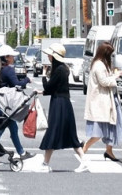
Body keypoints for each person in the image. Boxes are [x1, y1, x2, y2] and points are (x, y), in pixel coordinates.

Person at [29, 43, 87, 172]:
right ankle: (83, 161)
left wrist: (44, 75)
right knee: (69, 134)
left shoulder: (59, 69)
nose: (48, 56)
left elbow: (49, 87)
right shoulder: (62, 68)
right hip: (63, 102)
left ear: (54, 56)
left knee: (53, 131)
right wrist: (42, 92)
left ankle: (45, 164)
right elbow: (54, 89)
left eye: (50, 54)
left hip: (59, 104)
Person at [82, 40, 122, 164]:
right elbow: (104, 82)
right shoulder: (99, 65)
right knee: (98, 131)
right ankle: (83, 149)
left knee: (110, 127)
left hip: (104, 100)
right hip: (100, 101)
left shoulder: (100, 63)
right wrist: (116, 76)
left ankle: (109, 151)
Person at [0, 44, 33, 160]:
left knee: (10, 128)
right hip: (7, 105)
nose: (13, 58)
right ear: (6, 57)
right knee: (1, 129)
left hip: (1, 103)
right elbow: (17, 84)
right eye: (11, 56)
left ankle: (20, 152)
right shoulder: (8, 70)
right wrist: (27, 80)